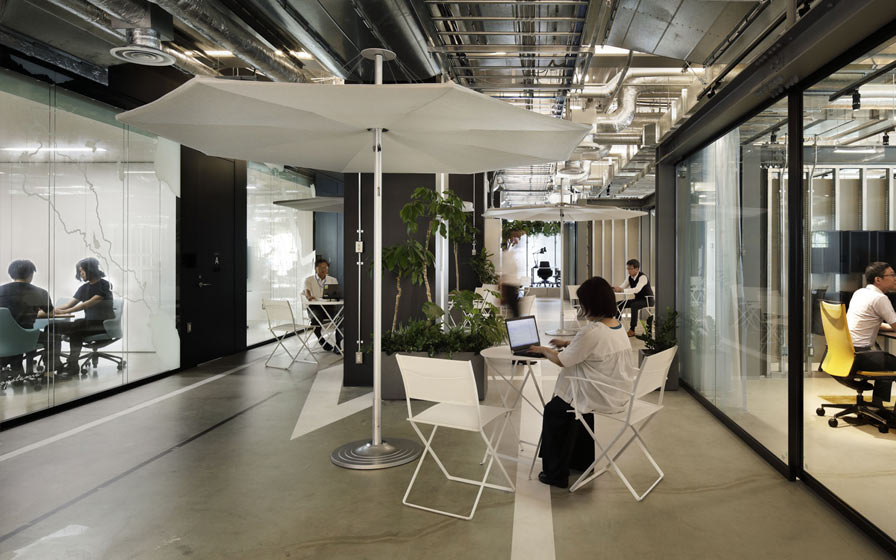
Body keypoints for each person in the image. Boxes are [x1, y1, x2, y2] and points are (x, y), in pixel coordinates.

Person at [527, 276, 636, 488]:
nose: (581, 307)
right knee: (577, 410)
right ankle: (581, 462)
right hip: (616, 392)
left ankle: (555, 474)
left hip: (597, 394)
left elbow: (562, 360)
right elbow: (594, 346)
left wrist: (543, 350)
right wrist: (569, 342)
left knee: (555, 410)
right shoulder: (617, 326)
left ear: (591, 304)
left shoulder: (591, 332)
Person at [0, 259, 63, 374]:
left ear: (11, 274)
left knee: (15, 339)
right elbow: (50, 313)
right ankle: (50, 372)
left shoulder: (1, 290)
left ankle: (16, 371)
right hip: (27, 336)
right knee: (54, 338)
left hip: (3, 338)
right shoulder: (40, 292)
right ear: (30, 274)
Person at [54, 258, 115, 375]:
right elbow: (69, 305)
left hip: (102, 324)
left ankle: (73, 365)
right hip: (88, 324)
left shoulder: (104, 285)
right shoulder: (84, 288)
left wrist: (64, 312)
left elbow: (87, 304)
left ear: (90, 270)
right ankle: (56, 364)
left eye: (82, 270)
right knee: (52, 327)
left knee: (77, 326)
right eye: (79, 271)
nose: (81, 273)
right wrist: (53, 310)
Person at [845, 261, 896, 377]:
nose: (895, 278)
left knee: (887, 362)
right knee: (889, 364)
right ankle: (882, 387)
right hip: (860, 355)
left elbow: (865, 323)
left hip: (846, 352)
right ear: (878, 280)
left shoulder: (860, 293)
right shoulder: (880, 298)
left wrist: (890, 327)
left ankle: (881, 386)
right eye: (892, 275)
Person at [303, 257, 342, 353]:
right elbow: (307, 292)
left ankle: (338, 345)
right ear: (316, 268)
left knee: (341, 319)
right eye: (321, 267)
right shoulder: (309, 280)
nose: (323, 269)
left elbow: (336, 294)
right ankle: (321, 340)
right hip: (315, 307)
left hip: (329, 307)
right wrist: (309, 296)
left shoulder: (332, 280)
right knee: (315, 320)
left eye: (326, 267)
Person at [614, 258, 653, 337]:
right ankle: (616, 326)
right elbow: (622, 287)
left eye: (630, 269)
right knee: (618, 304)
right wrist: (615, 289)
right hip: (638, 300)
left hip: (647, 300)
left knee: (634, 305)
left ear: (636, 269)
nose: (629, 271)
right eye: (628, 269)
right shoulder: (629, 277)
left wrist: (622, 290)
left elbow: (637, 289)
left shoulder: (642, 277)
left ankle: (632, 330)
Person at [499, 229, 525, 317]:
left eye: (518, 238)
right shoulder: (508, 254)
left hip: (512, 285)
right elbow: (505, 272)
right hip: (509, 285)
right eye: (515, 237)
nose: (516, 240)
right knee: (515, 310)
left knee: (515, 310)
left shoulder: (514, 253)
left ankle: (515, 322)